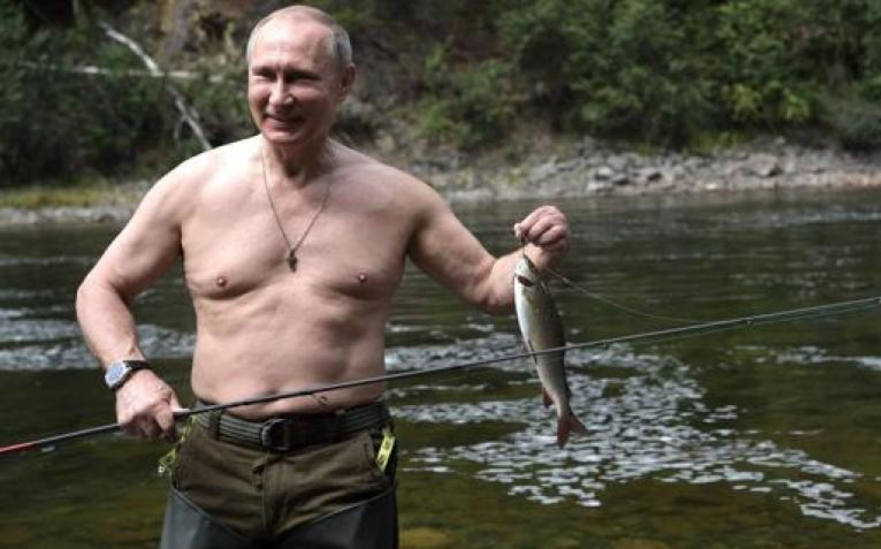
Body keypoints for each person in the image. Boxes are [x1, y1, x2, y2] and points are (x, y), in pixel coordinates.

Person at [75, 5, 569, 548]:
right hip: (214, 461)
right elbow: (101, 287)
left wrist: (535, 255)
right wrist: (130, 375)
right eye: (265, 75)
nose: (278, 97)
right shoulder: (191, 188)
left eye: (300, 78)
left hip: (345, 466)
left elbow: (488, 285)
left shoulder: (399, 199)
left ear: (344, 82)